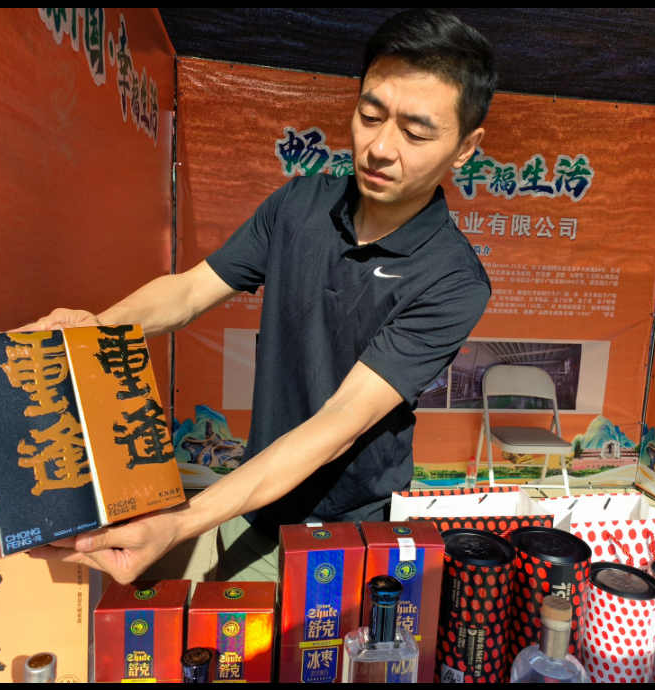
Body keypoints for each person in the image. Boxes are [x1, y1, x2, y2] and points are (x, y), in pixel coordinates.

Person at [28, 8, 497, 583]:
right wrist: (96, 327)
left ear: (466, 146)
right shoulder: (299, 206)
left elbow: (342, 420)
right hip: (253, 502)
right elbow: (191, 290)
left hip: (348, 531)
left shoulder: (453, 279)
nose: (379, 147)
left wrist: (181, 522)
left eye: (416, 133)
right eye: (370, 115)